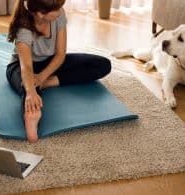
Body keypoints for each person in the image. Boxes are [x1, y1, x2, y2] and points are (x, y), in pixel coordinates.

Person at [6, 0, 111, 143]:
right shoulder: (23, 28)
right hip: (21, 66)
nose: (61, 9)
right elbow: (27, 67)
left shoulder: (59, 15)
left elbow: (61, 54)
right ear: (40, 14)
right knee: (28, 87)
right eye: (56, 8)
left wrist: (42, 77)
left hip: (51, 63)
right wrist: (31, 91)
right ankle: (31, 117)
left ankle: (47, 84)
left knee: (103, 65)